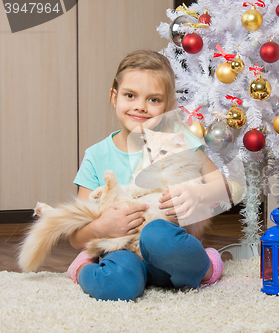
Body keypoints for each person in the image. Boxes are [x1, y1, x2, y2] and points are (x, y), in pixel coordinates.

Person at [66, 50, 227, 301]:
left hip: (168, 248)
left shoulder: (178, 140)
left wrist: (198, 193)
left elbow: (223, 187)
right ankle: (83, 268)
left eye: (154, 100)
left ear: (168, 106)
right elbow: (76, 236)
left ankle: (206, 266)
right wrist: (102, 226)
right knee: (117, 284)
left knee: (157, 234)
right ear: (114, 96)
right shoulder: (97, 156)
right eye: (130, 95)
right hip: (123, 249)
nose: (140, 106)